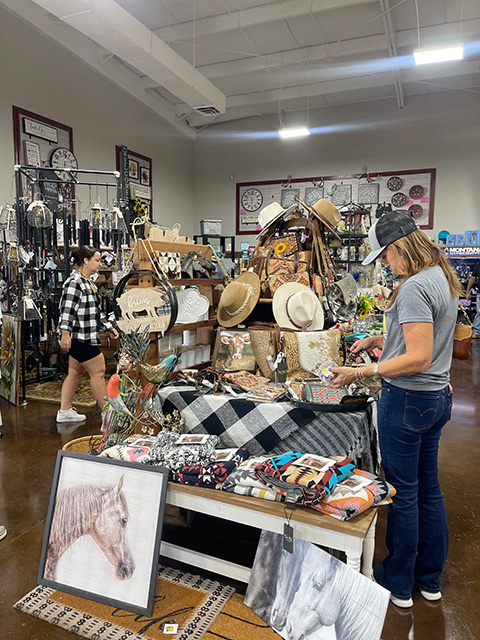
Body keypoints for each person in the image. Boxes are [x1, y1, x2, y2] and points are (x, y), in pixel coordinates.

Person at [331, 211, 462, 608]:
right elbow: (427, 338)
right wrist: (379, 339)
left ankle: (399, 582)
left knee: (402, 493)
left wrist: (362, 370)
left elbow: (419, 356)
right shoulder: (442, 275)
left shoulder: (412, 287)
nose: (386, 264)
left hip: (407, 398)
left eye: (386, 257)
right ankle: (429, 578)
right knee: (428, 490)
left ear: (398, 249)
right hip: (436, 397)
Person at [57, 246, 119, 423]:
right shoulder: (75, 282)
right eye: (97, 260)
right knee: (99, 371)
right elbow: (67, 311)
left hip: (85, 335)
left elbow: (95, 312)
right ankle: (108, 413)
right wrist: (65, 334)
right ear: (86, 261)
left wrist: (107, 326)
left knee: (74, 372)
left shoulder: (87, 282)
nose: (100, 264)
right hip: (79, 337)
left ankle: (64, 411)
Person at [465, 260, 480, 338]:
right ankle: (476, 332)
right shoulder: (478, 265)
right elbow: (472, 279)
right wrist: (467, 292)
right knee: (479, 312)